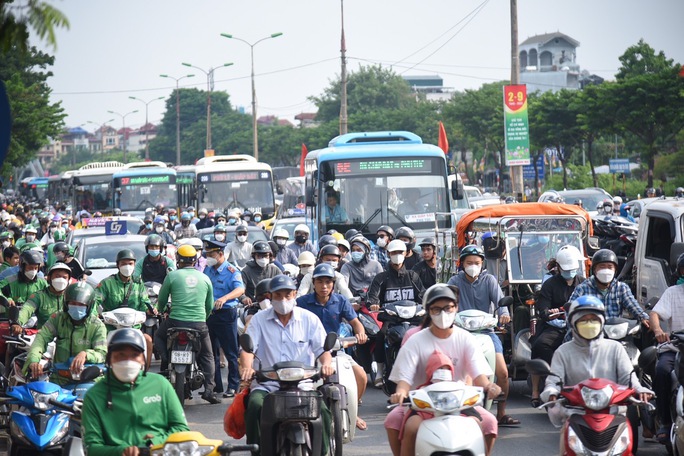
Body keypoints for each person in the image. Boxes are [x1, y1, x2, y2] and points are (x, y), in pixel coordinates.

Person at [387, 284, 500, 456]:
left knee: (488, 423)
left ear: (456, 308)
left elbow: (480, 377)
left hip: (460, 402)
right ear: (428, 311)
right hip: (423, 403)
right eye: (436, 309)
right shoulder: (415, 340)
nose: (443, 314)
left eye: (448, 308)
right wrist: (400, 393)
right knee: (408, 426)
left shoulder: (466, 339)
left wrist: (490, 387)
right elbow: (404, 380)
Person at [541, 296, 653, 453]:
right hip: (576, 416)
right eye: (583, 319)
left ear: (601, 321)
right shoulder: (563, 351)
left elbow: (629, 378)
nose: (589, 323)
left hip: (614, 415)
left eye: (593, 319)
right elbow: (554, 380)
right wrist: (551, 392)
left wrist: (640, 390)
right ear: (573, 323)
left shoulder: (615, 348)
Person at [239, 275, 334, 454]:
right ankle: (257, 451)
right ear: (271, 296)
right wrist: (247, 368)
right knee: (254, 407)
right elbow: (247, 350)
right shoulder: (259, 320)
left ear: (295, 295)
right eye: (278, 295)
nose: (283, 300)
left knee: (323, 412)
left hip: (303, 385)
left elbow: (323, 350)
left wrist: (326, 365)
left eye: (287, 295)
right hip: (267, 384)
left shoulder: (309, 319)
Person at [81, 328, 189, 456]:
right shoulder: (95, 396)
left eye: (134, 355)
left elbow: (181, 429)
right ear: (109, 359)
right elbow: (92, 447)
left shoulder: (161, 385)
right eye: (120, 355)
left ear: (143, 359)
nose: (127, 361)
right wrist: (122, 452)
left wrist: (153, 444)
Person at [447, 245, 518, 426]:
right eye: (469, 262)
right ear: (462, 263)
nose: (473, 266)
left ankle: (501, 413)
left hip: (486, 331)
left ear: (482, 264)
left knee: (502, 371)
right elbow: (447, 303)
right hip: (461, 333)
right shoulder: (454, 281)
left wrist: (504, 313)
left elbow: (500, 301)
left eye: (476, 263)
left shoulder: (489, 280)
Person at [297, 263, 369, 430]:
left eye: (328, 282)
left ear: (333, 284)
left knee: (361, 376)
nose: (324, 286)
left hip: (336, 351)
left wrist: (360, 334)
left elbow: (356, 323)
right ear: (313, 283)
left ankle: (352, 409)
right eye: (320, 282)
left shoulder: (341, 300)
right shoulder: (301, 303)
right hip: (309, 354)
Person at [155, 244, 221, 404]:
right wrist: (202, 319)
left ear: (178, 260)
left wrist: (161, 310)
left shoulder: (171, 276)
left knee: (157, 336)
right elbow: (209, 306)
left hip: (175, 321)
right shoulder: (205, 278)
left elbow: (162, 301)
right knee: (207, 356)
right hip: (199, 324)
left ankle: (166, 358)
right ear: (195, 260)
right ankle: (209, 390)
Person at [529, 245, 583, 407]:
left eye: (572, 269)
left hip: (578, 327)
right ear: (558, 267)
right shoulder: (550, 284)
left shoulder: (584, 284)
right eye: (566, 269)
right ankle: (538, 388)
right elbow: (543, 310)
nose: (570, 273)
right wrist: (552, 313)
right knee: (539, 345)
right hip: (554, 326)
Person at [367, 239, 425, 387]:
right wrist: (374, 304)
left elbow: (423, 294)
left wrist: (427, 302)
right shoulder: (381, 278)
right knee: (380, 335)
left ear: (405, 254)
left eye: (400, 252)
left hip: (412, 319)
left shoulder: (413, 276)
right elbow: (372, 296)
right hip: (391, 319)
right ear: (388, 254)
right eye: (393, 253)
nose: (397, 255)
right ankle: (380, 372)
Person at [25, 282, 107, 384]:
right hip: (59, 379)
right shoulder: (58, 318)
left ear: (90, 305)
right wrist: (34, 359)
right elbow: (41, 338)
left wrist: (86, 354)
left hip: (87, 380)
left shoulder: (97, 325)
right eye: (72, 303)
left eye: (81, 305)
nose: (76, 307)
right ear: (66, 303)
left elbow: (102, 354)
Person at [95, 248, 155, 367]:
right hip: (110, 328)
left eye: (130, 264)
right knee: (98, 344)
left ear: (134, 265)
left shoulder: (138, 283)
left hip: (134, 327)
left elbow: (144, 302)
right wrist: (94, 314)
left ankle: (144, 374)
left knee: (148, 340)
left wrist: (151, 309)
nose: (127, 266)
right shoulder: (107, 283)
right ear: (118, 265)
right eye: (123, 264)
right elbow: (94, 300)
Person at [649, 252, 684, 443]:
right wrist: (657, 331)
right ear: (680, 272)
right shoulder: (672, 292)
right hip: (676, 347)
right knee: (662, 371)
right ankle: (664, 420)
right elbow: (655, 314)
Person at [204, 239, 245, 398]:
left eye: (211, 254)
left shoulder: (231, 271)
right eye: (207, 254)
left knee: (230, 352)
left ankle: (233, 385)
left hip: (226, 314)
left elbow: (240, 289)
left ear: (220, 254)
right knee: (210, 352)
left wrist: (225, 298)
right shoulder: (208, 270)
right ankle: (216, 386)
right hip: (210, 314)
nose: (208, 257)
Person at [569, 249, 650, 325]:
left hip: (615, 333)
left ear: (615, 270)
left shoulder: (621, 288)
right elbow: (570, 312)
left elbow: (633, 306)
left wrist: (644, 318)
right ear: (594, 270)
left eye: (610, 267)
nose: (606, 270)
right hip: (591, 333)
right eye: (602, 267)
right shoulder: (582, 288)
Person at [12, 262, 71, 334]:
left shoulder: (72, 297)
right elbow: (27, 309)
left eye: (64, 277)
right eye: (57, 276)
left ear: (68, 280)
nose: (61, 280)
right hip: (43, 337)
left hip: (67, 338)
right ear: (49, 278)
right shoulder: (39, 296)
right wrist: (17, 323)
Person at [239, 241, 281, 306]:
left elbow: (282, 286)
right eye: (259, 256)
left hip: (273, 304)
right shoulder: (246, 271)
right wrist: (244, 298)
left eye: (265, 256)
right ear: (254, 256)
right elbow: (240, 289)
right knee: (249, 317)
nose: (263, 258)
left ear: (270, 256)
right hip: (253, 305)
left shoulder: (275, 270)